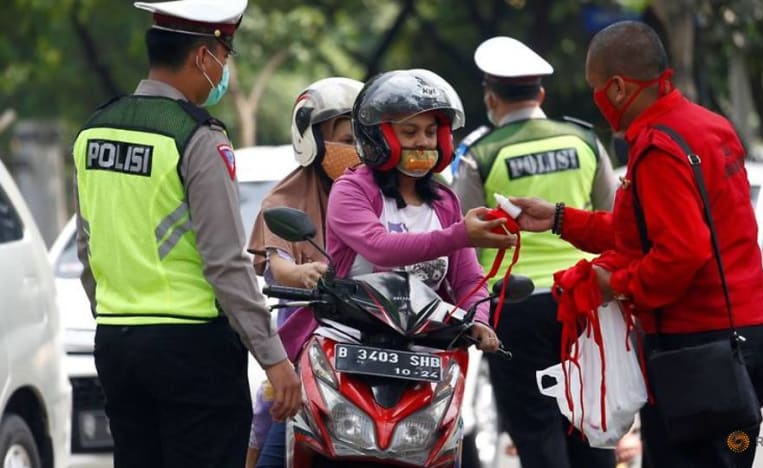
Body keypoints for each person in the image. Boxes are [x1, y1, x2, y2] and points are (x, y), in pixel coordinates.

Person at [512, 21, 763, 468]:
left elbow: (682, 251)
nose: (597, 101)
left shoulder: (658, 147)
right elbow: (641, 230)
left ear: (618, 87)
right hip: (745, 338)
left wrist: (614, 284)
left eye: (596, 89)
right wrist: (559, 219)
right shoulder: (707, 125)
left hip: (696, 350)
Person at [71, 1, 300, 466]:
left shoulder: (92, 131)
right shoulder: (197, 137)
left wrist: (118, 320)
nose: (224, 70)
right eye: (225, 55)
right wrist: (274, 359)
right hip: (191, 351)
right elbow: (224, 263)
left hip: (116, 344)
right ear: (202, 56)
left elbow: (86, 249)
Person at [451, 36, 617, 468]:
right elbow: (617, 220)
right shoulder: (584, 140)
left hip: (515, 307)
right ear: (540, 94)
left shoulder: (480, 153)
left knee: (535, 426)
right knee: (591, 418)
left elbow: (462, 234)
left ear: (490, 97)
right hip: (584, 300)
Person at [326, 68, 518, 353]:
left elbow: (467, 278)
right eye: (410, 132)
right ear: (379, 136)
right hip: (352, 341)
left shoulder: (444, 201)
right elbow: (380, 248)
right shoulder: (351, 190)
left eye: (431, 132)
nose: (424, 142)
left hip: (426, 347)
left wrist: (477, 319)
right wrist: (460, 235)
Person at [245, 76, 363, 468]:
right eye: (346, 139)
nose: (356, 149)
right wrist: (303, 274)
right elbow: (277, 262)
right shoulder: (285, 198)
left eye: (363, 138)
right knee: (270, 408)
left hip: (370, 337)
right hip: (304, 336)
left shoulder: (382, 192)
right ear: (311, 139)